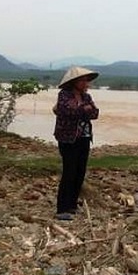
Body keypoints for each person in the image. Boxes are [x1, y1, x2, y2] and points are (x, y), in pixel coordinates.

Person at [53, 66, 100, 221]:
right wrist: (83, 110)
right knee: (69, 171)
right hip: (68, 138)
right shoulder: (64, 95)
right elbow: (67, 111)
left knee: (80, 171)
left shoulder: (86, 97)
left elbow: (95, 113)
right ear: (74, 82)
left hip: (84, 137)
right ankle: (62, 208)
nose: (86, 83)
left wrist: (82, 109)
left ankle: (72, 205)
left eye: (86, 80)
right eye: (83, 80)